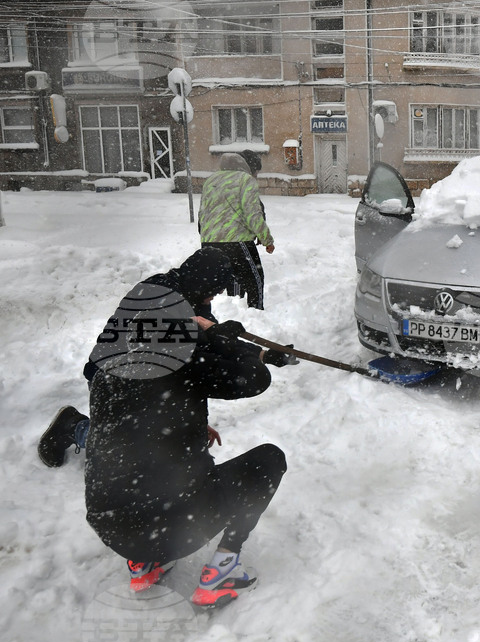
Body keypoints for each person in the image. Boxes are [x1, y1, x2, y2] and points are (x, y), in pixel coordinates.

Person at [38, 248, 296, 607]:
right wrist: (237, 349)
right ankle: (221, 573)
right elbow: (246, 377)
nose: (209, 302)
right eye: (210, 295)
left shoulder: (134, 345)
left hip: (109, 526)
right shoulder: (180, 352)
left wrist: (190, 417)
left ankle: (142, 564)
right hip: (174, 529)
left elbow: (195, 352)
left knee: (121, 435)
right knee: (269, 460)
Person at [199, 151, 274, 310]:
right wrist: (267, 239)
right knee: (255, 279)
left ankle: (234, 311)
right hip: (237, 241)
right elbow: (253, 213)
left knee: (231, 278)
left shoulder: (210, 181)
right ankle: (256, 314)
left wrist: (208, 237)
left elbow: (203, 213)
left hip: (209, 242)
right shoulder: (245, 180)